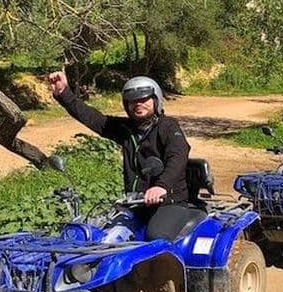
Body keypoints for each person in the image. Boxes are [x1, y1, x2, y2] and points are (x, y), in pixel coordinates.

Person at [47, 71, 193, 240]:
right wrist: (64, 93)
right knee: (103, 238)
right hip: (136, 204)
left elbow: (178, 156)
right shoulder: (126, 129)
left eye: (143, 99)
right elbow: (93, 118)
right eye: (132, 101)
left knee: (155, 237)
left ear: (156, 100)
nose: (138, 104)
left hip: (169, 203)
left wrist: (161, 186)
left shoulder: (168, 126)